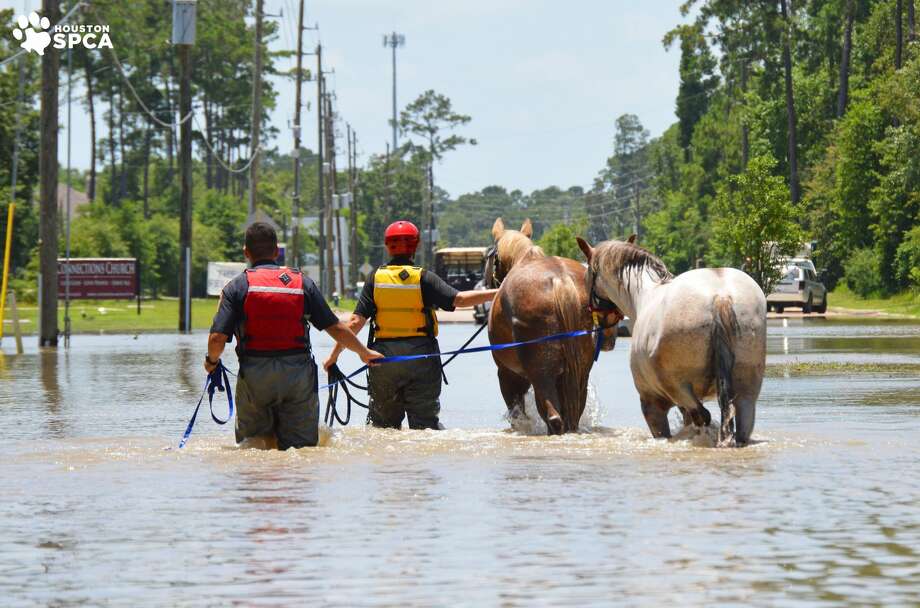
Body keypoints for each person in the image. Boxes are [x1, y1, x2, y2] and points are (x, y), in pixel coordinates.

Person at [206, 222, 383, 449]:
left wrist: (212, 362)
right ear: (276, 251)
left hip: (254, 375)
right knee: (301, 449)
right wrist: (364, 352)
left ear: (246, 252)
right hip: (298, 376)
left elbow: (217, 338)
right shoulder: (302, 283)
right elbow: (335, 328)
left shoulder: (236, 287)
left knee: (253, 448)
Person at [323, 220, 498, 430]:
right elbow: (459, 300)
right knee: (425, 428)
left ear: (387, 247)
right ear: (416, 246)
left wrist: (333, 357)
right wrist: (500, 292)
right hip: (421, 358)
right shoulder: (424, 278)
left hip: (383, 360)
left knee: (383, 428)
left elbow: (354, 323)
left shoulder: (375, 279)